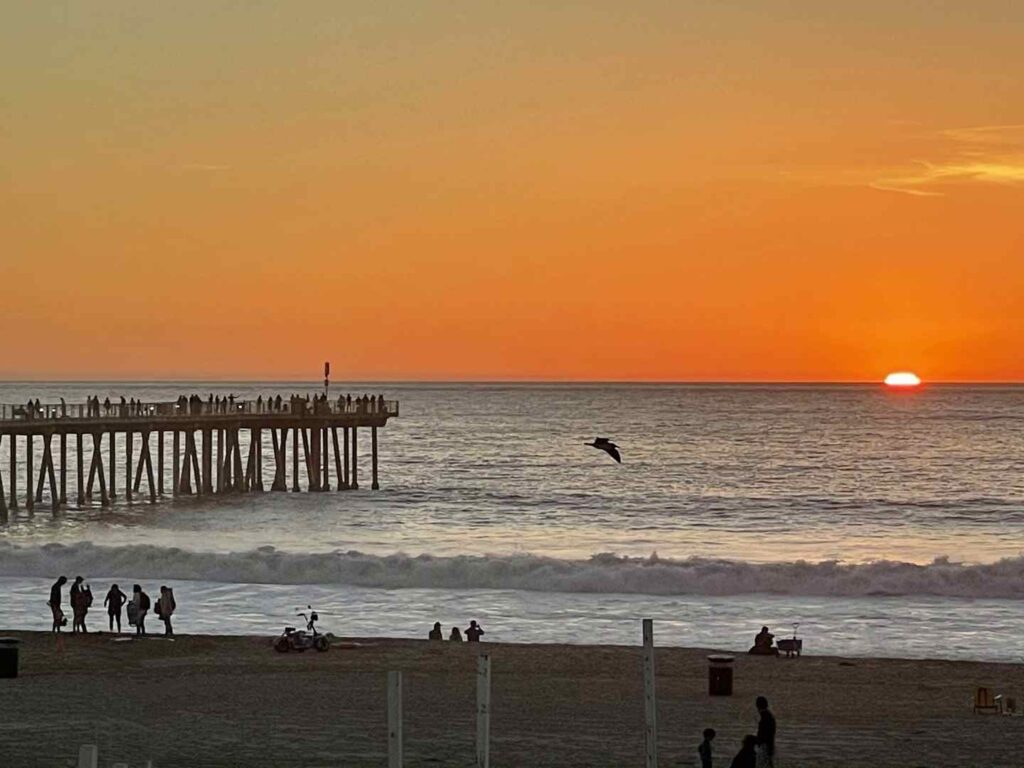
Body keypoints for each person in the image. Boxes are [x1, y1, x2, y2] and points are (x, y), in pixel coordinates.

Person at [755, 696, 776, 768]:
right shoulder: (769, 716)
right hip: (769, 746)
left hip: (765, 746)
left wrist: (757, 740)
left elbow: (763, 734)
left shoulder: (765, 717)